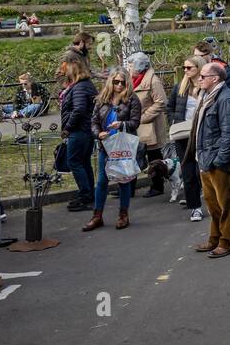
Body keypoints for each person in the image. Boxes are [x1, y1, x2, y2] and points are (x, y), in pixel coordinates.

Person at [191, 61, 230, 257]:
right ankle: (215, 237)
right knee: (212, 203)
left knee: (226, 202)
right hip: (205, 157)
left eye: (203, 76)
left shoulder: (226, 99)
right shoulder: (206, 96)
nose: (199, 79)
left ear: (215, 79)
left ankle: (227, 241)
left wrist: (219, 160)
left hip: (216, 160)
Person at [82, 68, 142, 232]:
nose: (119, 85)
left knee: (123, 180)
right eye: (116, 82)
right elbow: (93, 121)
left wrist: (121, 124)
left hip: (123, 145)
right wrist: (98, 133)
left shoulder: (132, 99)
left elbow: (135, 122)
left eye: (123, 82)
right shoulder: (102, 99)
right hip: (106, 145)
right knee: (102, 181)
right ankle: (97, 215)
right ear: (110, 82)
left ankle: (123, 214)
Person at [167, 56, 205, 222]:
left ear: (199, 68)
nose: (186, 71)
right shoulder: (179, 88)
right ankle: (195, 208)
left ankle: (212, 201)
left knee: (201, 172)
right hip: (183, 136)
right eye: (184, 68)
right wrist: (174, 122)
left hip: (203, 134)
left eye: (190, 67)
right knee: (188, 173)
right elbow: (170, 107)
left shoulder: (207, 88)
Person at [57, 55, 97, 212]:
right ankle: (89, 194)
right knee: (84, 161)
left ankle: (85, 195)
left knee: (74, 161)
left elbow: (79, 109)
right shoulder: (84, 85)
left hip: (79, 130)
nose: (63, 73)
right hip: (85, 130)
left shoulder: (80, 87)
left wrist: (67, 127)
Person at [126, 52, 169, 197]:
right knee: (132, 156)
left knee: (153, 157)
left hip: (150, 126)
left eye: (131, 65)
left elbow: (161, 102)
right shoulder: (130, 79)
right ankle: (128, 189)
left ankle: (157, 186)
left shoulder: (153, 81)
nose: (128, 67)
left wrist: (143, 117)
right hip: (134, 125)